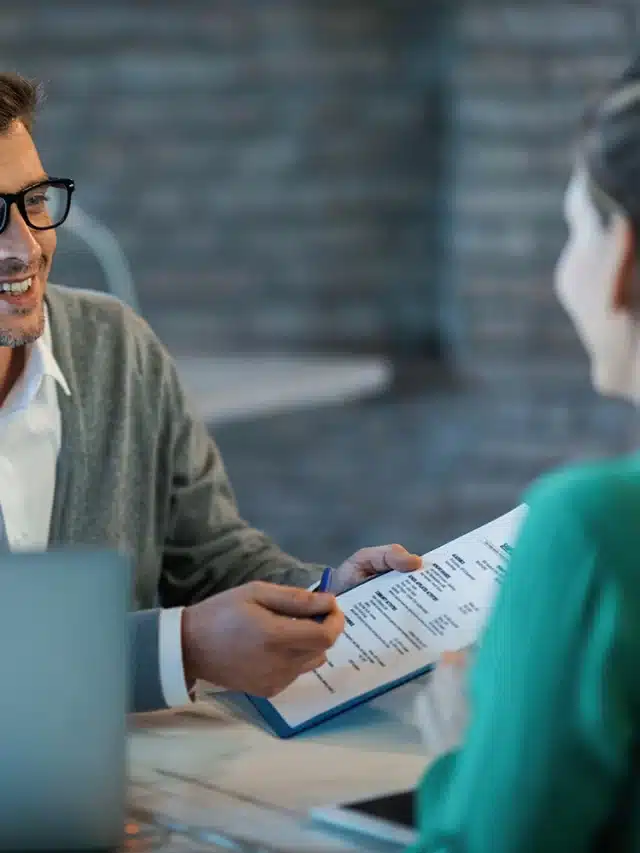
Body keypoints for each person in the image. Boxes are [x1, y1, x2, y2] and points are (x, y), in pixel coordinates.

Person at [0, 72, 423, 711]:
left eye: (34, 201)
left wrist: (327, 595)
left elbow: (209, 556)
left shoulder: (116, 347)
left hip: (136, 797)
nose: (24, 248)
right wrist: (181, 647)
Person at [410, 56, 640, 852]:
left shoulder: (593, 525)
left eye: (576, 231)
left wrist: (467, 753)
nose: (560, 270)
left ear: (625, 260)